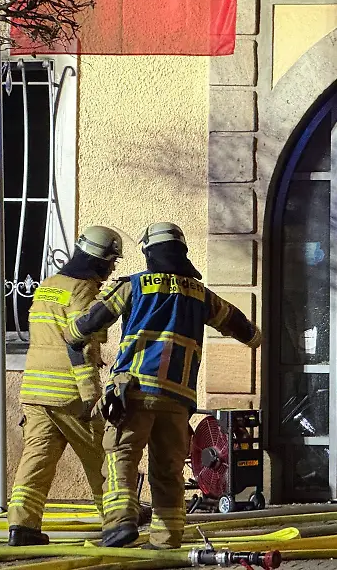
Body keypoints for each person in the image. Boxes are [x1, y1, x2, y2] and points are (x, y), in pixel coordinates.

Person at [67, 222, 261, 549]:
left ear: (149, 254)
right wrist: (257, 338)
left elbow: (89, 322)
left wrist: (72, 336)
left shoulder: (134, 286)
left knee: (121, 456)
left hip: (133, 393)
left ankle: (119, 524)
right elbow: (238, 323)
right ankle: (167, 539)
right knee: (169, 470)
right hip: (176, 398)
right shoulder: (200, 294)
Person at [7, 225, 123, 547]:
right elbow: (80, 342)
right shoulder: (82, 289)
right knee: (102, 456)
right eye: (112, 261)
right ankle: (116, 521)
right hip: (69, 392)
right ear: (100, 259)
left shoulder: (48, 286)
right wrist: (91, 395)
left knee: (36, 459)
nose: (112, 268)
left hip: (34, 391)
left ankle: (22, 526)